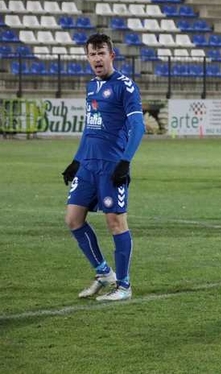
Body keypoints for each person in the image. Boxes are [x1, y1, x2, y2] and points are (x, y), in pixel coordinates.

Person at [61, 33, 145, 302]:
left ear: (112, 56)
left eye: (101, 53)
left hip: (111, 165)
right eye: (92, 54)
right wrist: (77, 159)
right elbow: (90, 126)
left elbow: (138, 126)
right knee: (73, 219)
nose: (96, 58)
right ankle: (103, 272)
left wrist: (125, 161)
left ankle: (124, 285)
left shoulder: (125, 86)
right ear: (87, 58)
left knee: (116, 223)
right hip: (88, 164)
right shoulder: (91, 87)